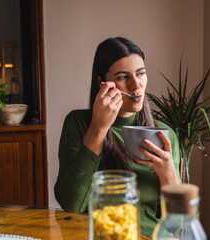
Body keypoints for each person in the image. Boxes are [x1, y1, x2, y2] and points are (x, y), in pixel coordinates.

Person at [54, 37, 180, 237]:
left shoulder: (165, 135)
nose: (135, 85)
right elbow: (71, 206)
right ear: (102, 83)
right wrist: (98, 129)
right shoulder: (78, 123)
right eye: (123, 77)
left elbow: (176, 223)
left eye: (141, 74)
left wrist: (168, 174)